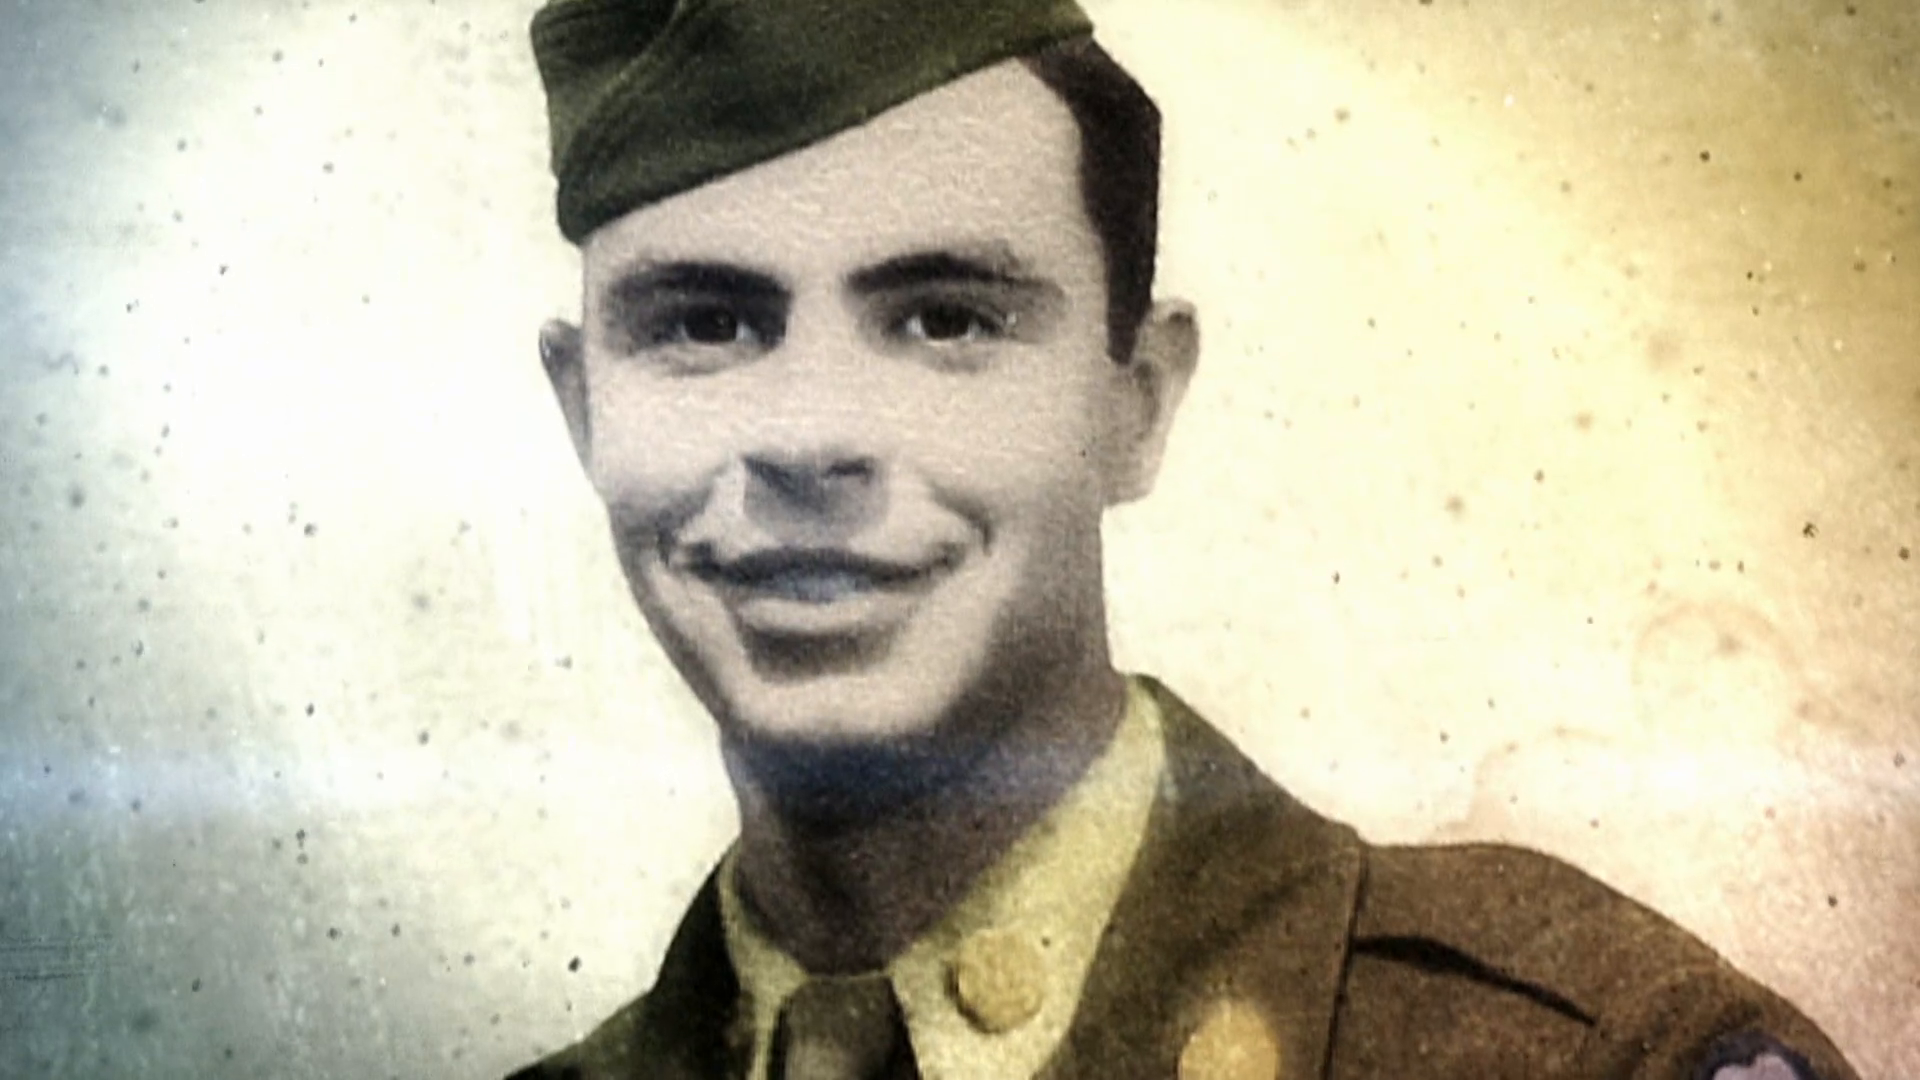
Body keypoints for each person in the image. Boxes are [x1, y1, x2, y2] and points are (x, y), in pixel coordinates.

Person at [506, 0, 1862, 1076]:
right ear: (583, 412)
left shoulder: (1596, 1055)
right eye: (703, 325)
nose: (810, 440)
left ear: (1137, 405)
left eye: (944, 319)